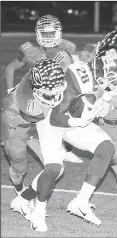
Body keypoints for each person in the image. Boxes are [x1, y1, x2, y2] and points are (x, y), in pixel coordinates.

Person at [10, 58, 115, 232]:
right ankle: (38, 212)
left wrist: (101, 102)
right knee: (54, 169)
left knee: (106, 148)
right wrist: (78, 120)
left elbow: (101, 101)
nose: (53, 95)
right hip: (50, 121)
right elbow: (53, 118)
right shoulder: (26, 95)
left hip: (70, 118)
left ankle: (80, 203)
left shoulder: (78, 76)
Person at [2, 14, 82, 197]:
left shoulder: (66, 52)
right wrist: (9, 90)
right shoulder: (30, 50)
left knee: (63, 116)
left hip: (48, 101)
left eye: (51, 33)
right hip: (25, 106)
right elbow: (10, 68)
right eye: (43, 33)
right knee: (20, 164)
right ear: (37, 33)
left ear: (59, 33)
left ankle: (62, 147)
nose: (47, 37)